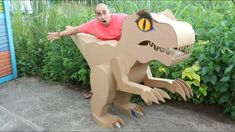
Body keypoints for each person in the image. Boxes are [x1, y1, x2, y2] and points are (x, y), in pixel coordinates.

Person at [47, 3, 127, 99]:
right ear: (96, 16)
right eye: (99, 14)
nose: (102, 16)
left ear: (110, 12)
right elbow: (77, 29)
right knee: (96, 66)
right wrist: (60, 34)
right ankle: (95, 90)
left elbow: (140, 24)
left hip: (123, 49)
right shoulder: (93, 25)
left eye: (104, 13)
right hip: (106, 51)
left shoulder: (122, 19)